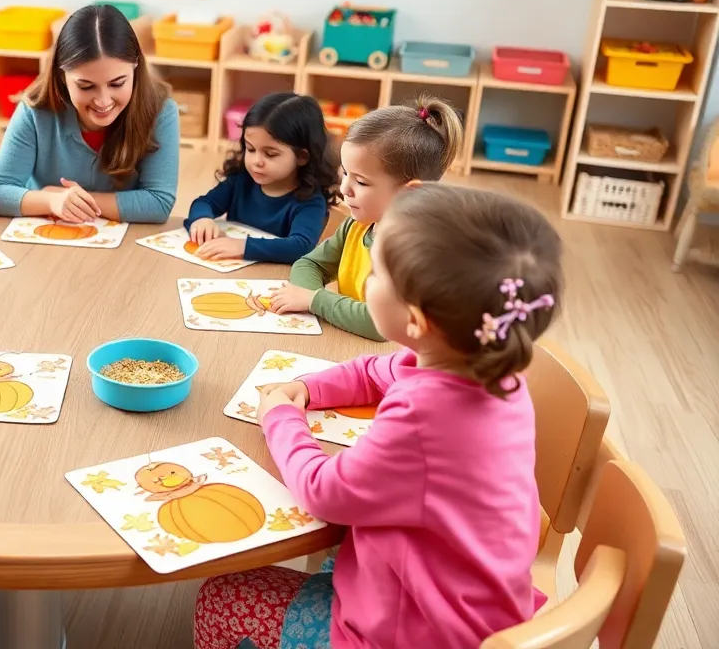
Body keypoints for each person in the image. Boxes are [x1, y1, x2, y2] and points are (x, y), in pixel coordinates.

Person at [194, 184, 561, 649]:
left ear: (417, 320)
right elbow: (376, 369)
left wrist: (282, 415)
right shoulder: (490, 369)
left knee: (222, 595)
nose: (366, 281)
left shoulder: (424, 417)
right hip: (468, 600)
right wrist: (308, 387)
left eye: (378, 273)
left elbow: (323, 492)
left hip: (417, 632)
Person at [269, 95, 463, 340]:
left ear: (409, 191)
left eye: (360, 181)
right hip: (349, 341)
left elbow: (377, 324)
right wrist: (309, 300)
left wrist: (315, 300)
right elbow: (310, 264)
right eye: (345, 174)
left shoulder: (414, 250)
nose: (344, 189)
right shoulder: (358, 225)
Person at [0, 4, 179, 224]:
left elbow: (159, 204)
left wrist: (67, 199)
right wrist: (50, 201)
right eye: (86, 86)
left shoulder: (160, 112)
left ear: (135, 67)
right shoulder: (35, 110)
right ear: (61, 75)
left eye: (117, 83)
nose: (103, 101)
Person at [185, 92, 339, 263]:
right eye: (250, 150)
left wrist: (242, 247)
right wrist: (202, 220)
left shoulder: (310, 200)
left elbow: (301, 246)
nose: (256, 161)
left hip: (273, 280)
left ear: (302, 157)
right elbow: (204, 202)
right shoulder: (241, 179)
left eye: (270, 154)